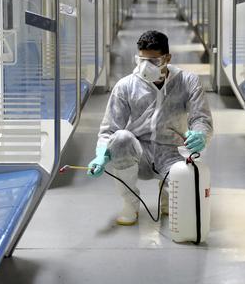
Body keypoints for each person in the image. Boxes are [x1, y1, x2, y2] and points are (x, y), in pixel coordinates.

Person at [87, 30, 213, 225]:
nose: (146, 67)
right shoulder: (126, 86)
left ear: (167, 58)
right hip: (139, 153)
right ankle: (130, 204)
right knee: (120, 139)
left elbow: (201, 118)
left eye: (153, 62)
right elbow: (110, 129)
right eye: (141, 60)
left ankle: (167, 197)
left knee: (180, 205)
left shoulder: (187, 81)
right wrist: (102, 154)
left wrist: (200, 134)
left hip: (173, 153)